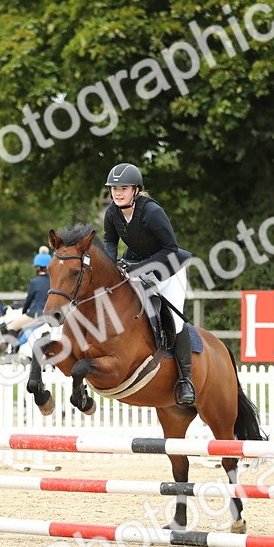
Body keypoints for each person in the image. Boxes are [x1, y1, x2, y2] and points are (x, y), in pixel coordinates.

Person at [101, 162, 196, 406]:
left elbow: (170, 248)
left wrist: (140, 268)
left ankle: (186, 380)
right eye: (114, 189)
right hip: (137, 265)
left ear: (136, 190)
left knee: (174, 321)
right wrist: (110, 268)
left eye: (123, 188)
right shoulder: (112, 213)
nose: (118, 193)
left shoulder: (152, 212)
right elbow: (110, 242)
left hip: (169, 268)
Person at [6, 247, 52, 334]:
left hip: (36, 315)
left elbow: (29, 300)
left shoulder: (34, 282)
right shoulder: (54, 281)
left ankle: (14, 347)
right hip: (50, 316)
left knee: (10, 326)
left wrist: (24, 312)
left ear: (38, 267)